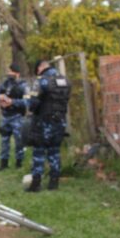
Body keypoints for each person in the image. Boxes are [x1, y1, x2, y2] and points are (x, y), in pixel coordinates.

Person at [24, 59, 71, 192]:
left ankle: (36, 184)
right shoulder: (65, 81)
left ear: (40, 68)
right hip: (60, 122)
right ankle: (54, 182)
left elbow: (32, 104)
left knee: (39, 151)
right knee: (54, 151)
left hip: (43, 122)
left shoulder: (41, 81)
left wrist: (28, 100)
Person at [0, 63, 28, 171]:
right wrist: (0, 97)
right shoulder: (5, 84)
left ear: (17, 73)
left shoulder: (24, 85)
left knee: (19, 141)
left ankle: (19, 163)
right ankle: (3, 163)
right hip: (5, 117)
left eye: (11, 71)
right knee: (4, 141)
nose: (9, 73)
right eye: (8, 71)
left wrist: (12, 102)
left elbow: (27, 102)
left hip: (17, 117)